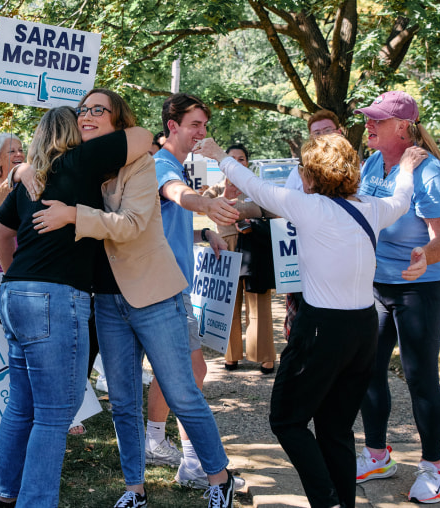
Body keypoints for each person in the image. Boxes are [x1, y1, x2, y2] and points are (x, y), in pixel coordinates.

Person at [27, 88, 238, 508]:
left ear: (117, 120)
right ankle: (134, 490)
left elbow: (133, 223)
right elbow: (27, 174)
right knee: (122, 400)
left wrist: (74, 215)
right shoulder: (79, 164)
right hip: (105, 299)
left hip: (154, 294)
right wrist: (20, 173)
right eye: (83, 109)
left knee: (181, 393)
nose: (87, 115)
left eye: (97, 110)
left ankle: (219, 478)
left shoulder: (141, 162)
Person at [197, 133, 423, 508]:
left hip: (321, 329)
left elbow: (254, 184)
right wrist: (409, 167)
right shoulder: (372, 207)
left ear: (308, 177)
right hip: (364, 328)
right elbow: (401, 198)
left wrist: (219, 154)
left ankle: (327, 500)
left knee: (287, 420)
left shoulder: (308, 206)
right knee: (336, 429)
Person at [0, 106, 152, 507]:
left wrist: (17, 273)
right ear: (70, 134)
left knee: (22, 405)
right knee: (54, 413)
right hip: (55, 296)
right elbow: (145, 137)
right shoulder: (80, 160)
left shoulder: (33, 178)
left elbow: (0, 228)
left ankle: (5, 493)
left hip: (15, 293)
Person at [354, 91, 440, 503]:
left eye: (376, 119)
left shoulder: (428, 172)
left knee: (419, 375)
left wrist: (423, 258)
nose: (368, 125)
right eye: (368, 118)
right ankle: (377, 454)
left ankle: (434, 468)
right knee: (367, 368)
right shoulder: (374, 161)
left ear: (403, 127)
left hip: (421, 283)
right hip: (378, 282)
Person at [147, 93, 239, 481]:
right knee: (192, 372)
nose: (202, 132)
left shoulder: (175, 163)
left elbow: (168, 218)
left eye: (204, 125)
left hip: (169, 285)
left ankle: (153, 441)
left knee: (175, 372)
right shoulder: (162, 164)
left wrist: (204, 232)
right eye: (195, 125)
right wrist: (204, 205)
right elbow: (174, 194)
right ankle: (193, 464)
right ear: (173, 126)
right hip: (166, 287)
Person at [203, 144, 275, 374]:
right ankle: (231, 355)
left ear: (247, 163)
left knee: (259, 302)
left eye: (241, 158)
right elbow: (201, 207)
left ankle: (264, 356)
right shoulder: (214, 190)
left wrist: (249, 212)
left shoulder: (258, 187)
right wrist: (225, 196)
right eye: (231, 158)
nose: (236, 162)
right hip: (225, 248)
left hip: (255, 248)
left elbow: (274, 209)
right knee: (229, 304)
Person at [282, 109, 344, 341]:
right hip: (307, 268)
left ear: (339, 132)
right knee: (305, 329)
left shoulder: (357, 169)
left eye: (327, 131)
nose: (321, 137)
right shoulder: (297, 174)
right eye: (315, 133)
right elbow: (283, 209)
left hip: (344, 267)